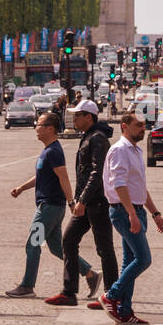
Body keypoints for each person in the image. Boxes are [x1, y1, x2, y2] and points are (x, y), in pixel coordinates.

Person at [6, 112, 93, 299]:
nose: (36, 128)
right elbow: (42, 177)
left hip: (48, 208)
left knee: (32, 245)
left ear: (50, 128)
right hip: (51, 207)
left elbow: (63, 177)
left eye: (39, 125)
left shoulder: (53, 151)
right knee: (56, 248)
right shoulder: (48, 150)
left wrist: (71, 202)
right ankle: (90, 274)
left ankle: (27, 286)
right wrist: (22, 188)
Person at [101, 110, 163, 325]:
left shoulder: (136, 151)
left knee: (130, 260)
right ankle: (111, 296)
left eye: (144, 125)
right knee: (143, 259)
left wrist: (155, 213)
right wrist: (131, 214)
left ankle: (125, 311)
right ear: (124, 126)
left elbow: (140, 187)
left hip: (136, 209)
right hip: (123, 210)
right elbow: (119, 184)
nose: (143, 129)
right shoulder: (120, 150)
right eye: (139, 125)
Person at [46, 100, 112, 307]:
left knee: (105, 249)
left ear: (88, 117)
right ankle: (69, 292)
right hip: (86, 202)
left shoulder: (98, 139)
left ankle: (112, 295)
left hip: (97, 203)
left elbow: (97, 173)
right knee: (68, 240)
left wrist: (81, 200)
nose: (73, 119)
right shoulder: (89, 137)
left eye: (77, 115)